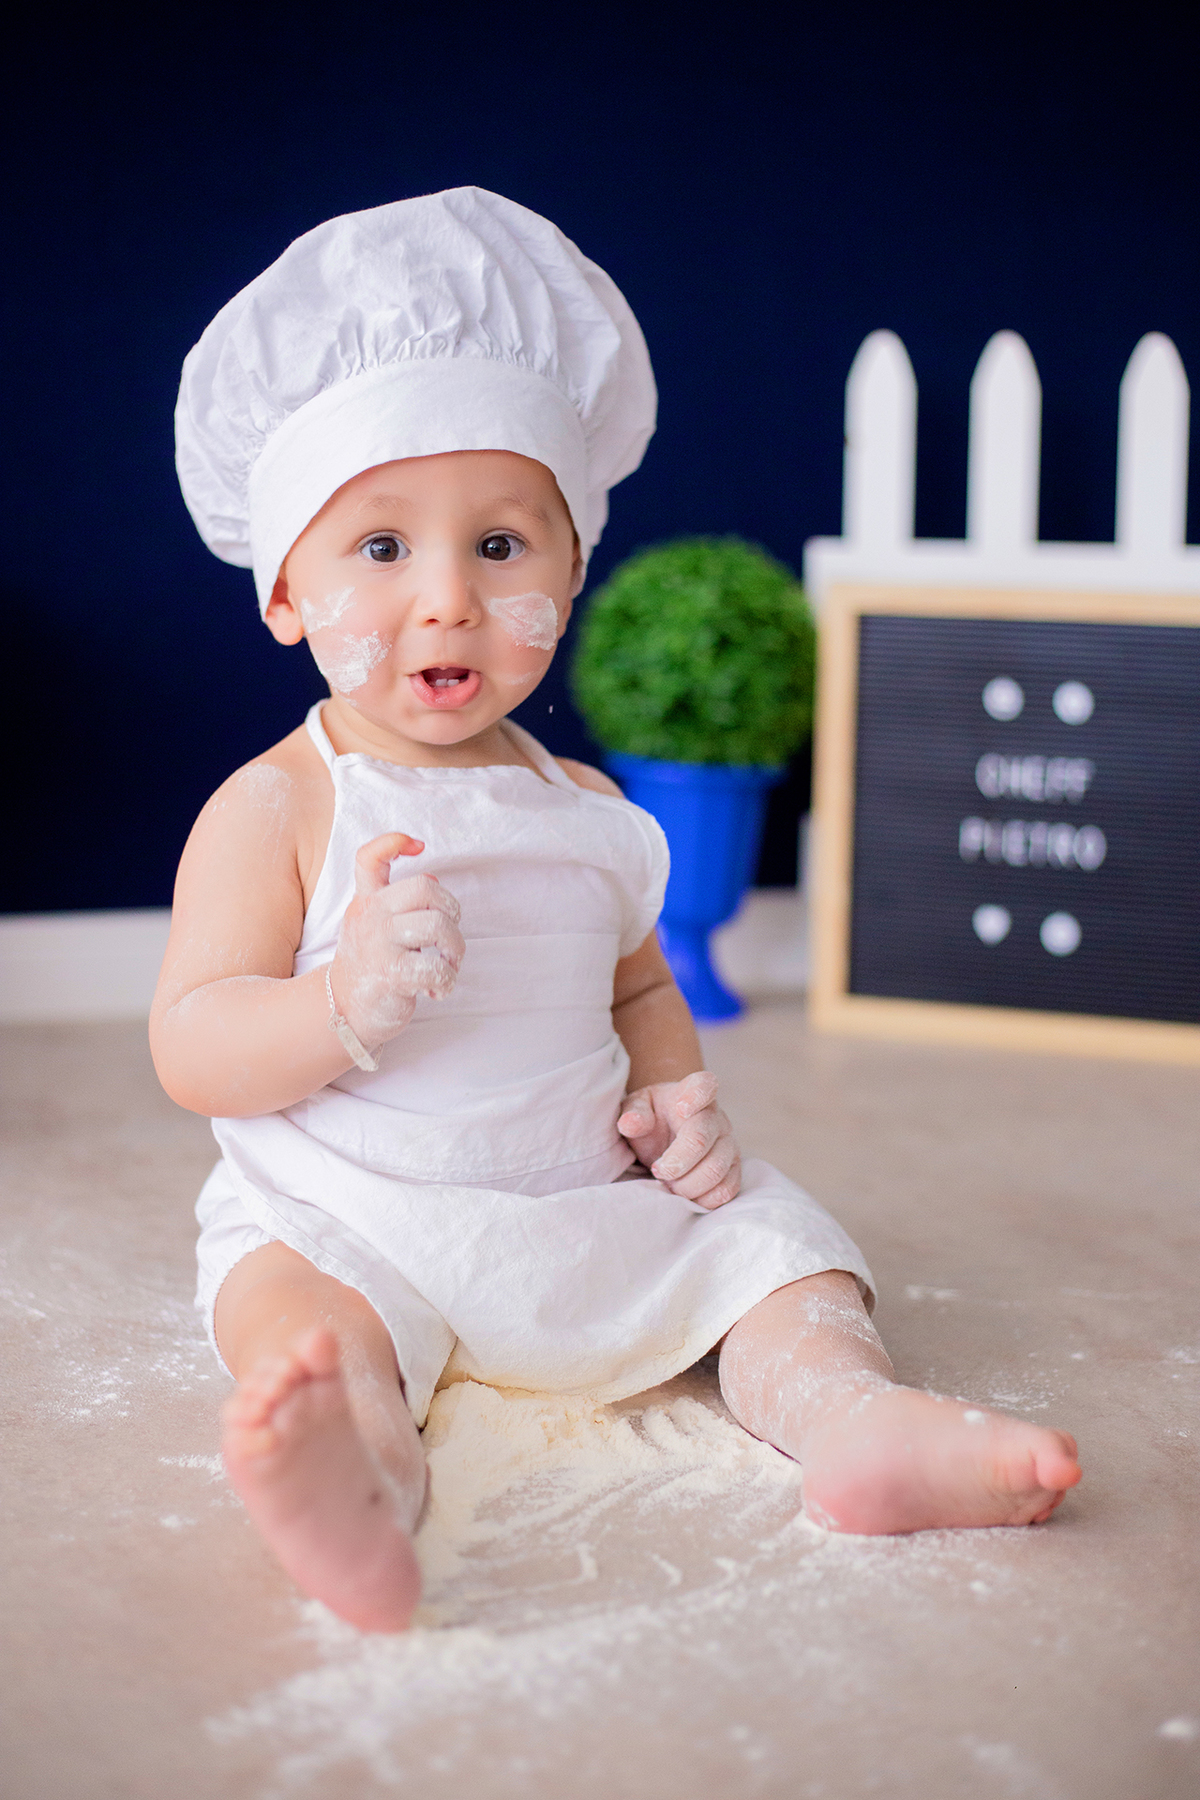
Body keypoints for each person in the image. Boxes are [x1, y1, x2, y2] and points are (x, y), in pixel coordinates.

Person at [153, 189, 1081, 1632]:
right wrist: (337, 1008)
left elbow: (641, 988)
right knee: (297, 1317)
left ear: (575, 568)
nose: (448, 600)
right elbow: (195, 1044)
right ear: (285, 588)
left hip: (587, 1201)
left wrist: (675, 1099)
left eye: (503, 548)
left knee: (785, 1250)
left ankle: (849, 1420)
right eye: (382, 550)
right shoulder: (281, 805)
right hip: (356, 1210)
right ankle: (359, 1473)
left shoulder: (586, 803)